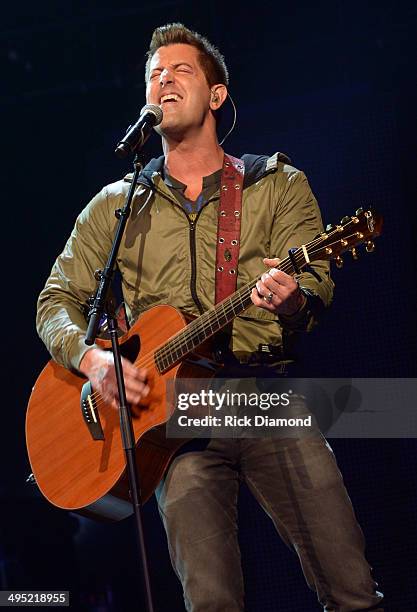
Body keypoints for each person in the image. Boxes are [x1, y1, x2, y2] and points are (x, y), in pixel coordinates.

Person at [36, 23, 384, 612]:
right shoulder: (117, 205)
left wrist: (293, 298)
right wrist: (94, 359)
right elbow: (55, 302)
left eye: (180, 71)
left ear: (216, 96)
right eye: (153, 75)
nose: (163, 80)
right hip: (172, 421)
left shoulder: (278, 186)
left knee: (350, 586)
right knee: (211, 601)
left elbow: (315, 289)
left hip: (263, 395)